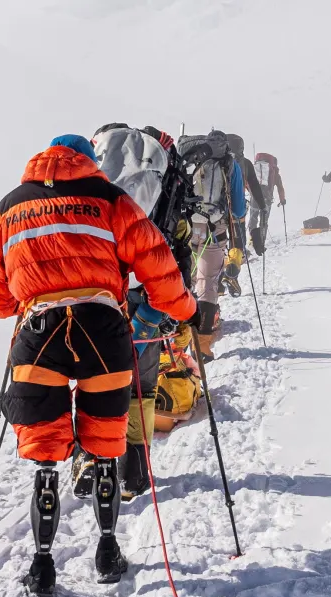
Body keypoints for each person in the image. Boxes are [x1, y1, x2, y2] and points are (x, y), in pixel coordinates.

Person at [0, 134, 199, 597]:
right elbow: (156, 263)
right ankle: (106, 551)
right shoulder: (110, 199)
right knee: (103, 442)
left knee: (44, 454)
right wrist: (183, 309)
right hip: (103, 330)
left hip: (40, 334)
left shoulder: (8, 208)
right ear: (88, 160)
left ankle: (41, 567)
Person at [90, 122, 191, 502]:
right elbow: (176, 248)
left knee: (95, 378)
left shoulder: (97, 178)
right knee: (141, 386)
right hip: (145, 296)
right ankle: (135, 469)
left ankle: (92, 458)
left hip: (98, 292)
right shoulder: (162, 180)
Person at [183, 129, 247, 361]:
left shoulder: (188, 157)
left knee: (183, 282)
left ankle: (176, 341)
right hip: (214, 229)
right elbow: (239, 209)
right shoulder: (230, 163)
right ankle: (201, 347)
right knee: (208, 285)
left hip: (187, 228)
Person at [250, 152, 286, 256]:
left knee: (253, 218)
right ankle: (261, 242)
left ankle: (252, 240)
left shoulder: (255, 169)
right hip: (267, 199)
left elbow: (248, 182)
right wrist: (282, 199)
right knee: (263, 221)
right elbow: (280, 188)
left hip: (254, 198)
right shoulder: (275, 174)